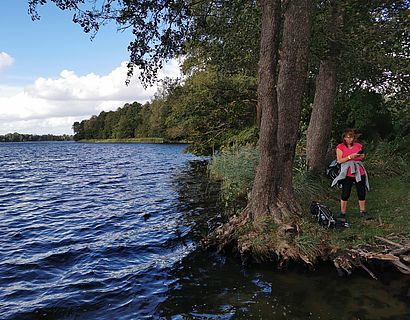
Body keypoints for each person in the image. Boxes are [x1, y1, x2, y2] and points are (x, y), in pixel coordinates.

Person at [331, 129, 370, 221]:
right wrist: (350, 157)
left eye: (352, 137)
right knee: (345, 193)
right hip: (347, 172)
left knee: (361, 192)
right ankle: (343, 212)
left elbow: (361, 156)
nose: (350, 139)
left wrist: (360, 156)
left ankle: (362, 211)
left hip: (359, 171)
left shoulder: (358, 145)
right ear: (344, 138)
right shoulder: (340, 147)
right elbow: (339, 160)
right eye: (348, 137)